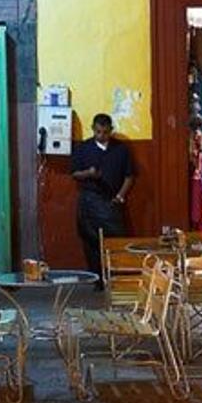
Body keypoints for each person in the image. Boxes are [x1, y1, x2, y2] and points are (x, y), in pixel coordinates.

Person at [70, 113, 134, 286]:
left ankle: (117, 277)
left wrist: (120, 196)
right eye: (98, 132)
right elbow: (75, 173)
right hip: (89, 199)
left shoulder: (120, 149)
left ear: (111, 130)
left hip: (111, 200)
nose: (102, 136)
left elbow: (129, 176)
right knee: (91, 242)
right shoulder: (84, 148)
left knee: (116, 240)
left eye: (105, 132)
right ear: (93, 129)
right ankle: (97, 280)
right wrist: (88, 173)